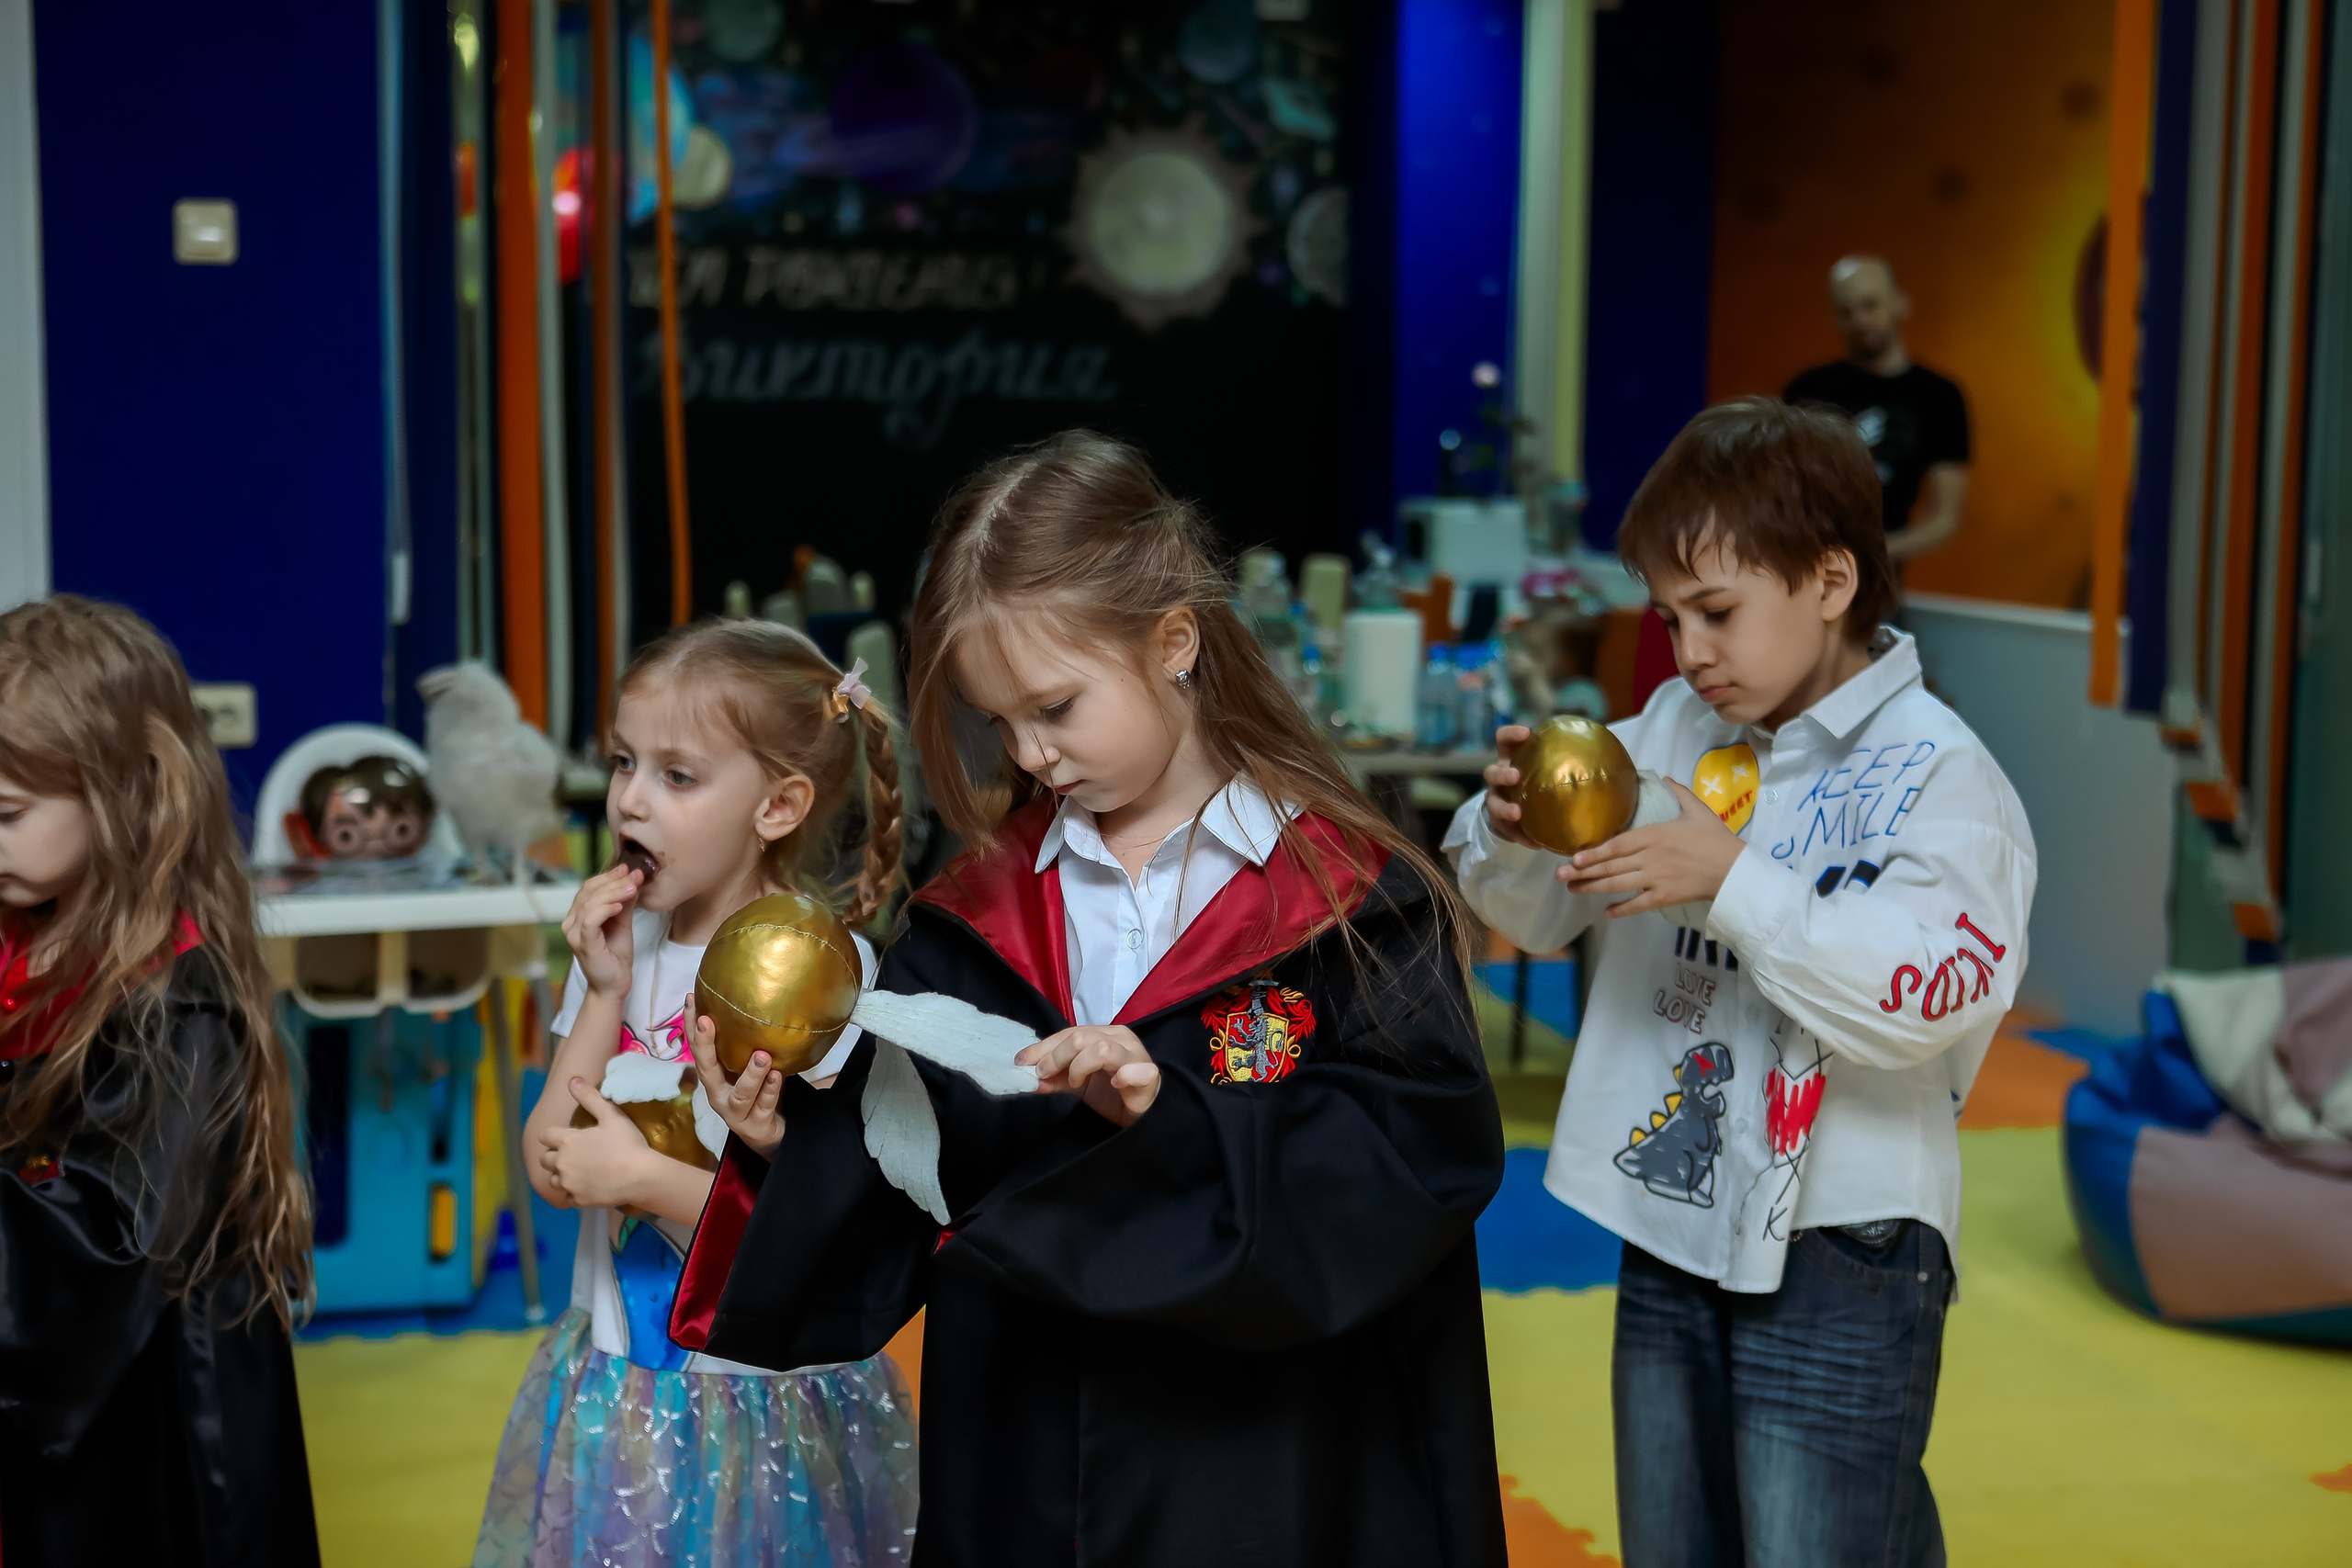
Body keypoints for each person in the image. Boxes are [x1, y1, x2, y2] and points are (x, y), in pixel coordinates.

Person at [675, 431, 1509, 1568]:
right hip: (1031, 1445)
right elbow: (912, 1172)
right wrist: (789, 1134)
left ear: (1174, 642)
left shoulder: (1351, 904)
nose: (1030, 751)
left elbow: (1413, 1162)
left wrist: (1175, 1113)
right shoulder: (978, 913)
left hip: (1266, 1454)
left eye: (1056, 708)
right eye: (1000, 721)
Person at [1445, 399, 2035, 1567]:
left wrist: (1734, 880)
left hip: (1848, 1241)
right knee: (1674, 1542)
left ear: (1828, 581)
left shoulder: (1941, 775)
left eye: (1716, 612)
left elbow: (1923, 1000)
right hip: (1672, 1220)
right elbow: (1530, 909)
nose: (1688, 653)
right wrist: (1508, 828)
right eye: (1668, 619)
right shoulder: (1669, 729)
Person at [472, 621, 919, 1566]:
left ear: (778, 805)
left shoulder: (822, 977)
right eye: (625, 763)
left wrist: (642, 1179)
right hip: (620, 1390)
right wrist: (599, 991)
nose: (631, 800)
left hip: (758, 1401)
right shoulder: (615, 957)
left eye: (677, 777)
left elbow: (822, 1230)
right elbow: (552, 1167)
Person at [0, 595, 319, 1566]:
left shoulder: (178, 1004)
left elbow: (105, 1247)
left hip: (149, 1420)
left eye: (8, 813)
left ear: (127, 791)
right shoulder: (23, 942)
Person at [1783, 255, 1971, 565]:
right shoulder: (1807, 389)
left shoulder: (1940, 396)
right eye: (1846, 311)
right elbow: (1776, 487)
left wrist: (1864, 555)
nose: (1859, 321)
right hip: (1800, 566)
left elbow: (1945, 518)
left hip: (1881, 581)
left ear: (1900, 303)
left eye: (1870, 305)